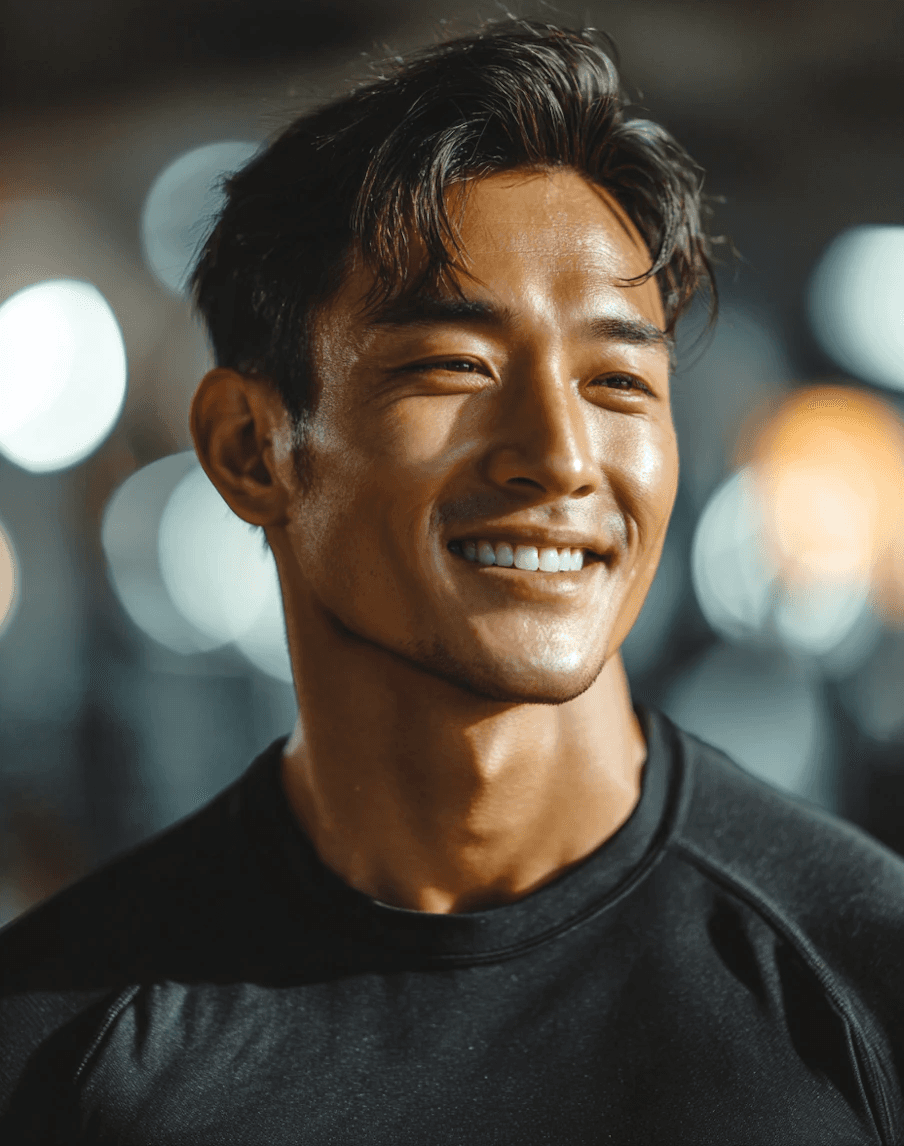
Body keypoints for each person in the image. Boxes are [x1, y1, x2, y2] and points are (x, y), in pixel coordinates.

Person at [1, 19, 903, 1145]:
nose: (563, 455)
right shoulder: (56, 1042)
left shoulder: (863, 982)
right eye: (454, 367)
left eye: (619, 382)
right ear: (249, 449)